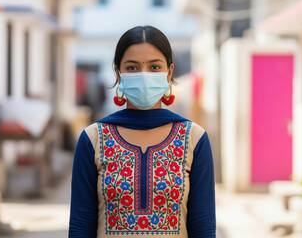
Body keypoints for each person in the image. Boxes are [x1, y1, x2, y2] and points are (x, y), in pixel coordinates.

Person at [69, 25, 216, 238]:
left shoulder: (194, 138)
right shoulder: (93, 139)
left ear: (169, 72)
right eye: (132, 68)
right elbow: (81, 224)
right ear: (118, 73)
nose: (144, 75)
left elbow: (203, 225)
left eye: (155, 67)